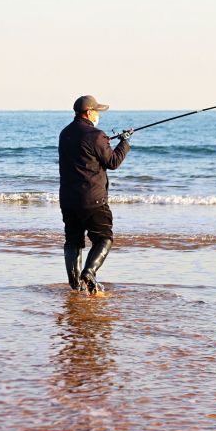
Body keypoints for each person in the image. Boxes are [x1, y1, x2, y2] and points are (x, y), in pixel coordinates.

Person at [58, 95, 132, 293]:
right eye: (97, 111)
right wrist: (124, 142)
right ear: (89, 112)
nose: (99, 114)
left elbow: (86, 153)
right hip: (93, 199)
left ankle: (75, 286)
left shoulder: (64, 134)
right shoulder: (96, 135)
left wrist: (106, 141)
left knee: (73, 241)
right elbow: (113, 162)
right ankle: (89, 272)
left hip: (68, 199)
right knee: (104, 238)